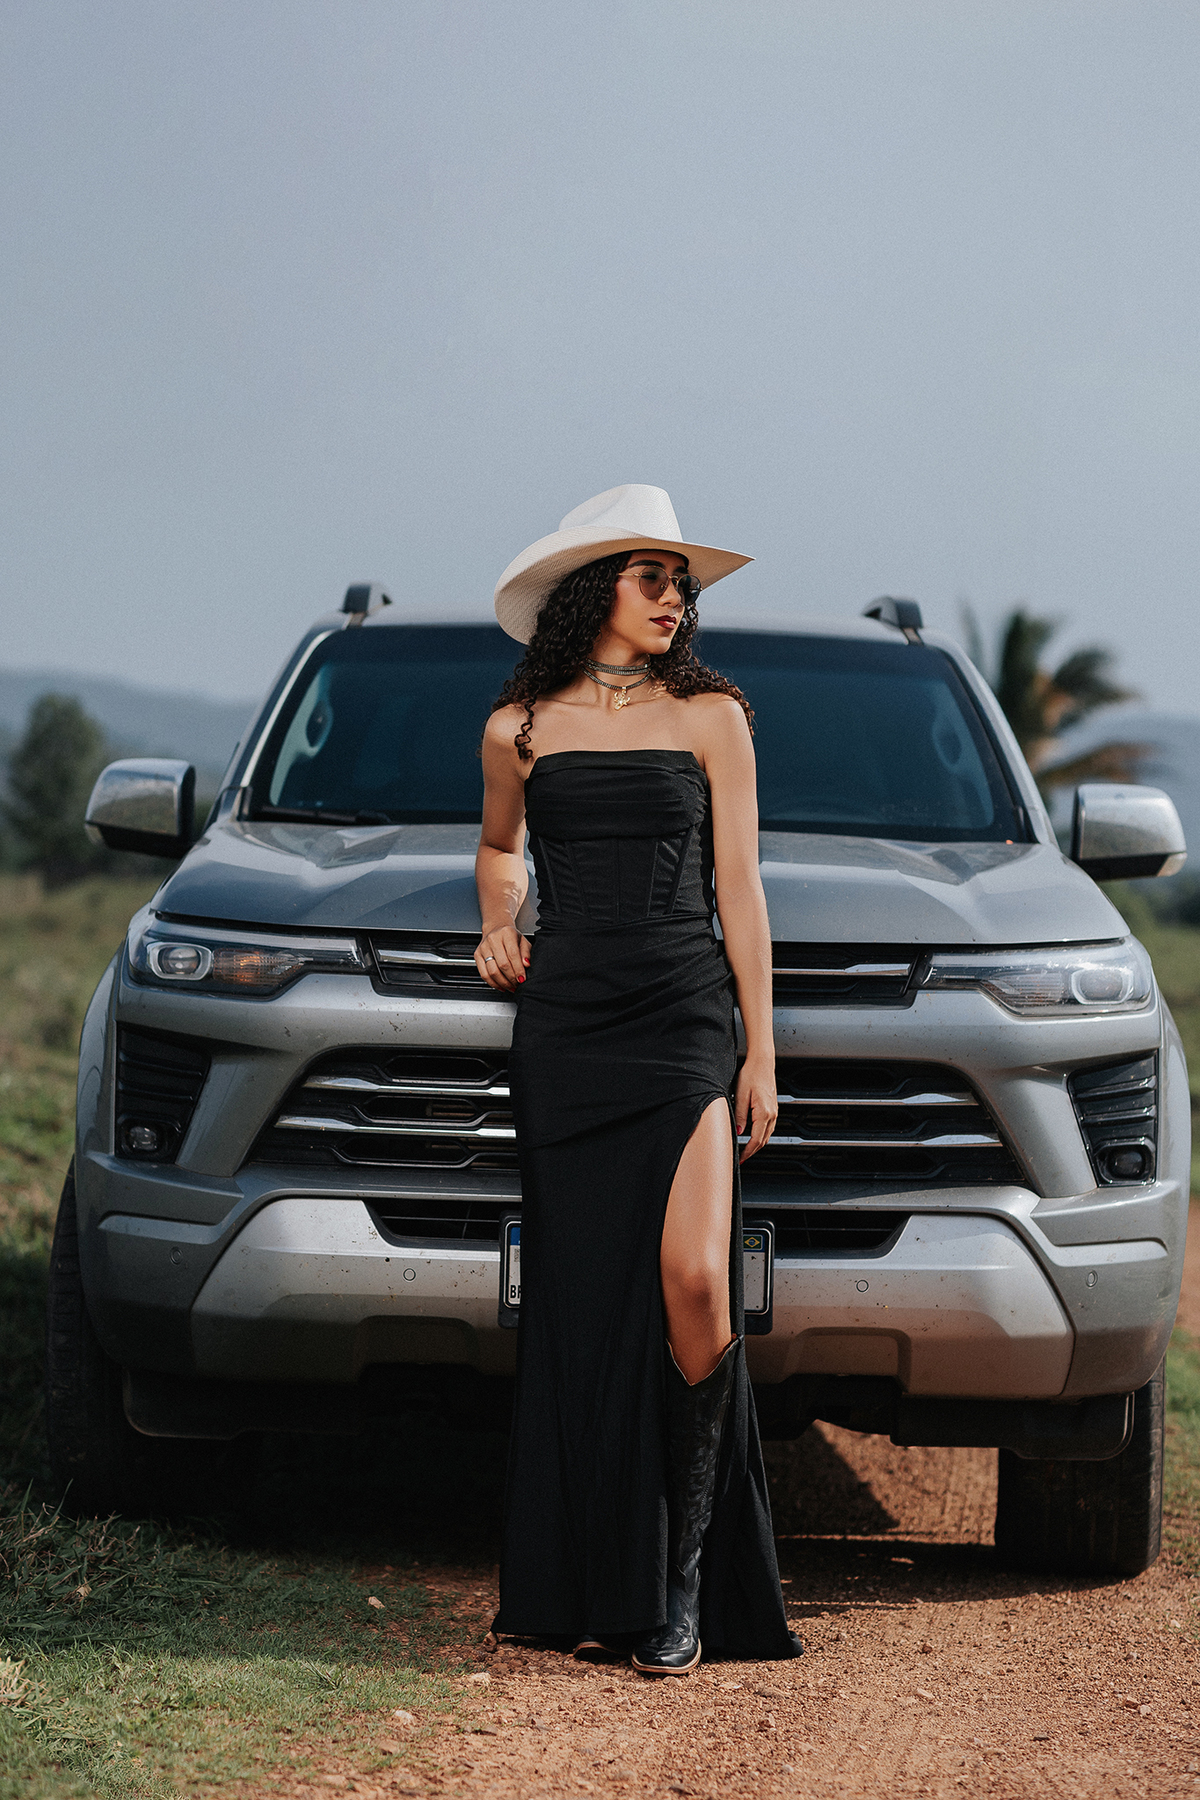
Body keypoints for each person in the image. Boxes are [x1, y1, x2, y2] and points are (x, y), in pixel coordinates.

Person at [475, 484, 801, 1674]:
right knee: (580, 1304)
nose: (676, 597)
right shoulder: (518, 724)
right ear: (592, 588)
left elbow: (741, 890)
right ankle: (599, 1580)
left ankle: (683, 1583)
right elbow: (500, 847)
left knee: (696, 1280)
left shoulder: (713, 716)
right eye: (652, 575)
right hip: (565, 1028)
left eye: (684, 581)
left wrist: (761, 1047)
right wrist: (497, 924)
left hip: (679, 1017)